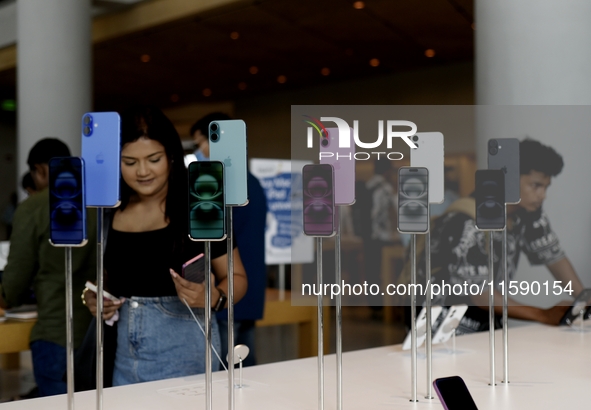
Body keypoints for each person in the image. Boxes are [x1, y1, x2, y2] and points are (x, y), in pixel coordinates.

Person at [83, 106, 247, 385]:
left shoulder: (200, 206)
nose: (142, 171)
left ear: (171, 156)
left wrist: (215, 297)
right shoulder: (111, 211)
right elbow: (114, 278)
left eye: (153, 159)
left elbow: (238, 278)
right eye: (130, 162)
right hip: (123, 355)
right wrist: (99, 298)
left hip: (187, 351)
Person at [404, 139, 584, 333]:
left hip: (484, 322)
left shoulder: (527, 215)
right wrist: (543, 315)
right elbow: (481, 295)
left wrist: (583, 300)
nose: (542, 195)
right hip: (439, 328)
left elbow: (554, 257)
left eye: (545, 187)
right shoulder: (467, 222)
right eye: (535, 185)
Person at [0, 138, 97, 397]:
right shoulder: (98, 202)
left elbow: (14, 285)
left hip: (56, 332)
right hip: (99, 330)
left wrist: (7, 295)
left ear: (40, 169)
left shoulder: (33, 207)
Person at [190, 112, 267, 366]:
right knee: (245, 360)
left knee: (227, 364)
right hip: (248, 286)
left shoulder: (218, 189)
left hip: (228, 286)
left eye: (202, 143)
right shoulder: (253, 183)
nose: (200, 151)